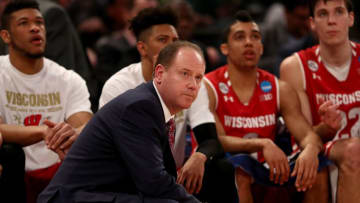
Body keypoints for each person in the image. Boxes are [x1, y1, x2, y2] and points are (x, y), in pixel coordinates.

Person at [38, 40, 205, 203]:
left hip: (101, 193)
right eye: (185, 74)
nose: (193, 85)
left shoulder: (153, 104)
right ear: (160, 74)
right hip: (74, 197)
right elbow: (153, 182)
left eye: (198, 77)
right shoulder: (140, 107)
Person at [99, 7, 237, 203]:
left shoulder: (192, 82)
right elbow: (115, 151)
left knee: (221, 168)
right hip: (131, 174)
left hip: (173, 174)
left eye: (175, 41)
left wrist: (199, 157)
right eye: (163, 40)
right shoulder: (120, 85)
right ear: (142, 48)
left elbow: (210, 141)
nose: (172, 47)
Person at [204, 10, 326, 203]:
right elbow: (217, 141)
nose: (248, 43)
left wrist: (311, 149)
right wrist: (262, 143)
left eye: (255, 37)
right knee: (239, 169)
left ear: (261, 47)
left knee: (317, 165)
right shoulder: (208, 86)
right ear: (225, 48)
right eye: (239, 37)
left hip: (267, 166)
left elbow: (307, 134)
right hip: (225, 165)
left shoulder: (280, 88)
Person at [0, 1, 93, 202]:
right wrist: (43, 131)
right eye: (24, 23)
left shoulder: (69, 79)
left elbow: (86, 124)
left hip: (59, 172)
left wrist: (72, 133)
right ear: (6, 36)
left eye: (40, 22)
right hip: (10, 174)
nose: (35, 28)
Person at [280, 0, 360, 202]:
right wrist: (327, 129)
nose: (331, 21)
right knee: (353, 151)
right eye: (323, 14)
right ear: (312, 23)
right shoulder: (295, 66)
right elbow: (304, 137)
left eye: (339, 12)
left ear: (351, 18)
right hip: (317, 149)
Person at [259, 0, 316, 76]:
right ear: (287, 13)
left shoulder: (313, 37)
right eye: (301, 18)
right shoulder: (268, 33)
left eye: (308, 18)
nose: (307, 24)